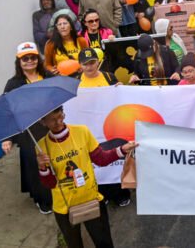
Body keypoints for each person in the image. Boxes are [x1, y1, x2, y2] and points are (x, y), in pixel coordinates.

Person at [36, 106, 136, 248]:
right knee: (74, 244)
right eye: (53, 120)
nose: (59, 122)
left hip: (91, 198)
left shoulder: (82, 131)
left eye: (60, 116)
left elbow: (101, 159)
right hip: (65, 207)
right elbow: (50, 184)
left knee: (104, 242)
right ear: (43, 122)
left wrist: (121, 150)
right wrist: (42, 167)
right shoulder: (41, 147)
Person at [1, 42, 53, 214]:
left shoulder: (49, 76)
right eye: (25, 59)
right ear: (19, 62)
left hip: (50, 125)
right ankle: (43, 199)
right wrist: (7, 138)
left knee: (54, 160)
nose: (30, 61)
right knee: (36, 165)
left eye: (33, 57)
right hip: (28, 131)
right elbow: (7, 111)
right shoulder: (13, 84)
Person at [75, 48, 131, 208]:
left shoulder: (109, 77)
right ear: (80, 66)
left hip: (110, 127)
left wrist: (121, 88)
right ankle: (103, 194)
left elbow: (119, 99)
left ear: (98, 62)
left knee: (115, 159)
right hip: (89, 128)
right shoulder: (76, 82)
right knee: (96, 161)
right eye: (85, 64)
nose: (90, 66)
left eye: (92, 62)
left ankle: (121, 194)